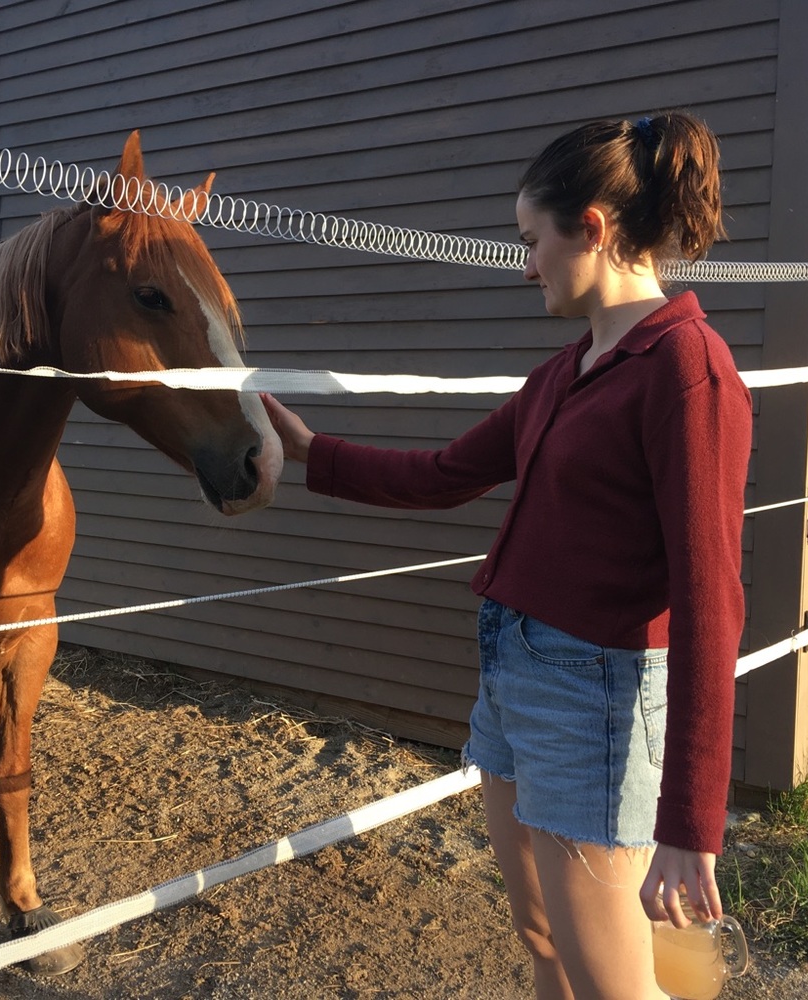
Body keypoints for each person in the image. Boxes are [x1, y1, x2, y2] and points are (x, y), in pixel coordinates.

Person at [262, 110, 752, 1000]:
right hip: (512, 677)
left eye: (532, 240)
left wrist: (690, 821)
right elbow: (445, 473)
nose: (525, 264)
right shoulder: (563, 374)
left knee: (615, 984)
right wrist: (311, 454)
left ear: (593, 230)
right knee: (541, 938)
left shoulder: (689, 371)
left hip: (595, 701)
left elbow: (711, 602)